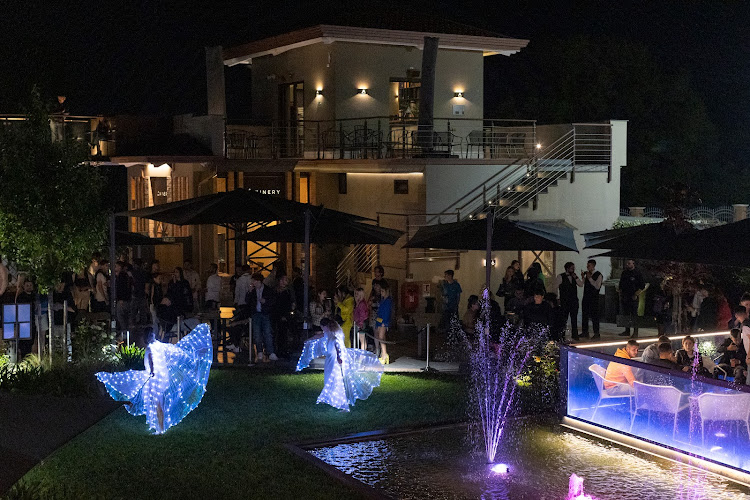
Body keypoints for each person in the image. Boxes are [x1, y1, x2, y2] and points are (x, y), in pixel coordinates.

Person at [96, 325, 212, 434]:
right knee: (157, 403)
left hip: (155, 380)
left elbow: (151, 361)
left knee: (157, 404)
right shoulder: (159, 345)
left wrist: (151, 371)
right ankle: (157, 425)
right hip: (161, 379)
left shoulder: (151, 348)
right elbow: (169, 352)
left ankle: (160, 428)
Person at [296, 318, 384, 411]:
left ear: (326, 326)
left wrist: (339, 357)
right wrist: (308, 340)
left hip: (333, 360)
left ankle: (341, 403)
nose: (322, 329)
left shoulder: (334, 336)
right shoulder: (328, 334)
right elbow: (317, 336)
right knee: (328, 377)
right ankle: (327, 396)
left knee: (334, 378)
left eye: (322, 327)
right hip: (329, 359)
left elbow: (337, 346)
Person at [247, 272, 277, 362]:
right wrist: (249, 292)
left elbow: (273, 301)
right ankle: (259, 351)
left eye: (254, 281)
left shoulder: (267, 290)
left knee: (267, 333)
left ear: (259, 281)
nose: (253, 283)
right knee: (257, 334)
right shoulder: (253, 291)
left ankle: (270, 352)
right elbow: (247, 301)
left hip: (265, 313)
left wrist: (265, 301)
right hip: (256, 313)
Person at [554, 262, 583, 341]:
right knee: (564, 318)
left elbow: (581, 284)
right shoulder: (560, 276)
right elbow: (555, 287)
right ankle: (562, 334)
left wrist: (576, 277)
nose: (573, 269)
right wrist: (557, 298)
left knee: (574, 318)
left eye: (573, 268)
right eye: (572, 268)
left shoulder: (574, 276)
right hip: (565, 301)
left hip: (574, 300)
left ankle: (575, 334)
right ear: (567, 268)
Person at [618, 259, 645, 338]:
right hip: (625, 296)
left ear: (633, 263)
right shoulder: (624, 273)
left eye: (629, 263)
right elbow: (621, 284)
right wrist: (620, 293)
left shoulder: (637, 273)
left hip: (633, 296)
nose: (627, 265)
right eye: (627, 263)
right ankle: (627, 330)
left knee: (634, 314)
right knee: (626, 314)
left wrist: (636, 294)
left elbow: (642, 286)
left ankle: (635, 331)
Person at [272, 274, 295, 357]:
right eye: (282, 280)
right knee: (279, 333)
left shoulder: (287, 292)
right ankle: (279, 350)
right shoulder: (276, 291)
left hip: (284, 314)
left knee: (284, 333)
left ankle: (283, 350)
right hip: (277, 314)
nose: (283, 282)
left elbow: (288, 303)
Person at [581, 259, 603, 340]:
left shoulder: (599, 275)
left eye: (589, 265)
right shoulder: (588, 274)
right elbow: (584, 284)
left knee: (594, 316)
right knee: (585, 315)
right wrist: (583, 277)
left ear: (593, 266)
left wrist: (590, 278)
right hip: (586, 297)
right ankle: (585, 332)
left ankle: (596, 333)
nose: (587, 267)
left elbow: (597, 286)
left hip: (594, 298)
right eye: (587, 265)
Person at [375, 281, 393, 364]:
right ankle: (383, 354)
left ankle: (385, 354)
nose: (381, 293)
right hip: (379, 320)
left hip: (383, 321)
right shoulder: (382, 300)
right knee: (381, 337)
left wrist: (384, 322)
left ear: (386, 292)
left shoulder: (388, 301)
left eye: (382, 291)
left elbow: (387, 312)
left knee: (381, 338)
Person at [114, 261, 133, 331]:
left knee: (120, 316)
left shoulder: (121, 276)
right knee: (125, 316)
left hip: (122, 300)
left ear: (119, 267)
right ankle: (126, 331)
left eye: (116, 266)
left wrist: (121, 298)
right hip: (127, 299)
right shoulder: (126, 276)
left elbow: (121, 288)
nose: (115, 268)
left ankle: (124, 331)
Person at [130, 258, 149, 326]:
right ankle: (143, 325)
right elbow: (146, 285)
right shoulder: (145, 273)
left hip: (135, 294)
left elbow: (131, 283)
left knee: (133, 312)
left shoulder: (132, 273)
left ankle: (133, 325)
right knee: (143, 311)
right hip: (142, 294)